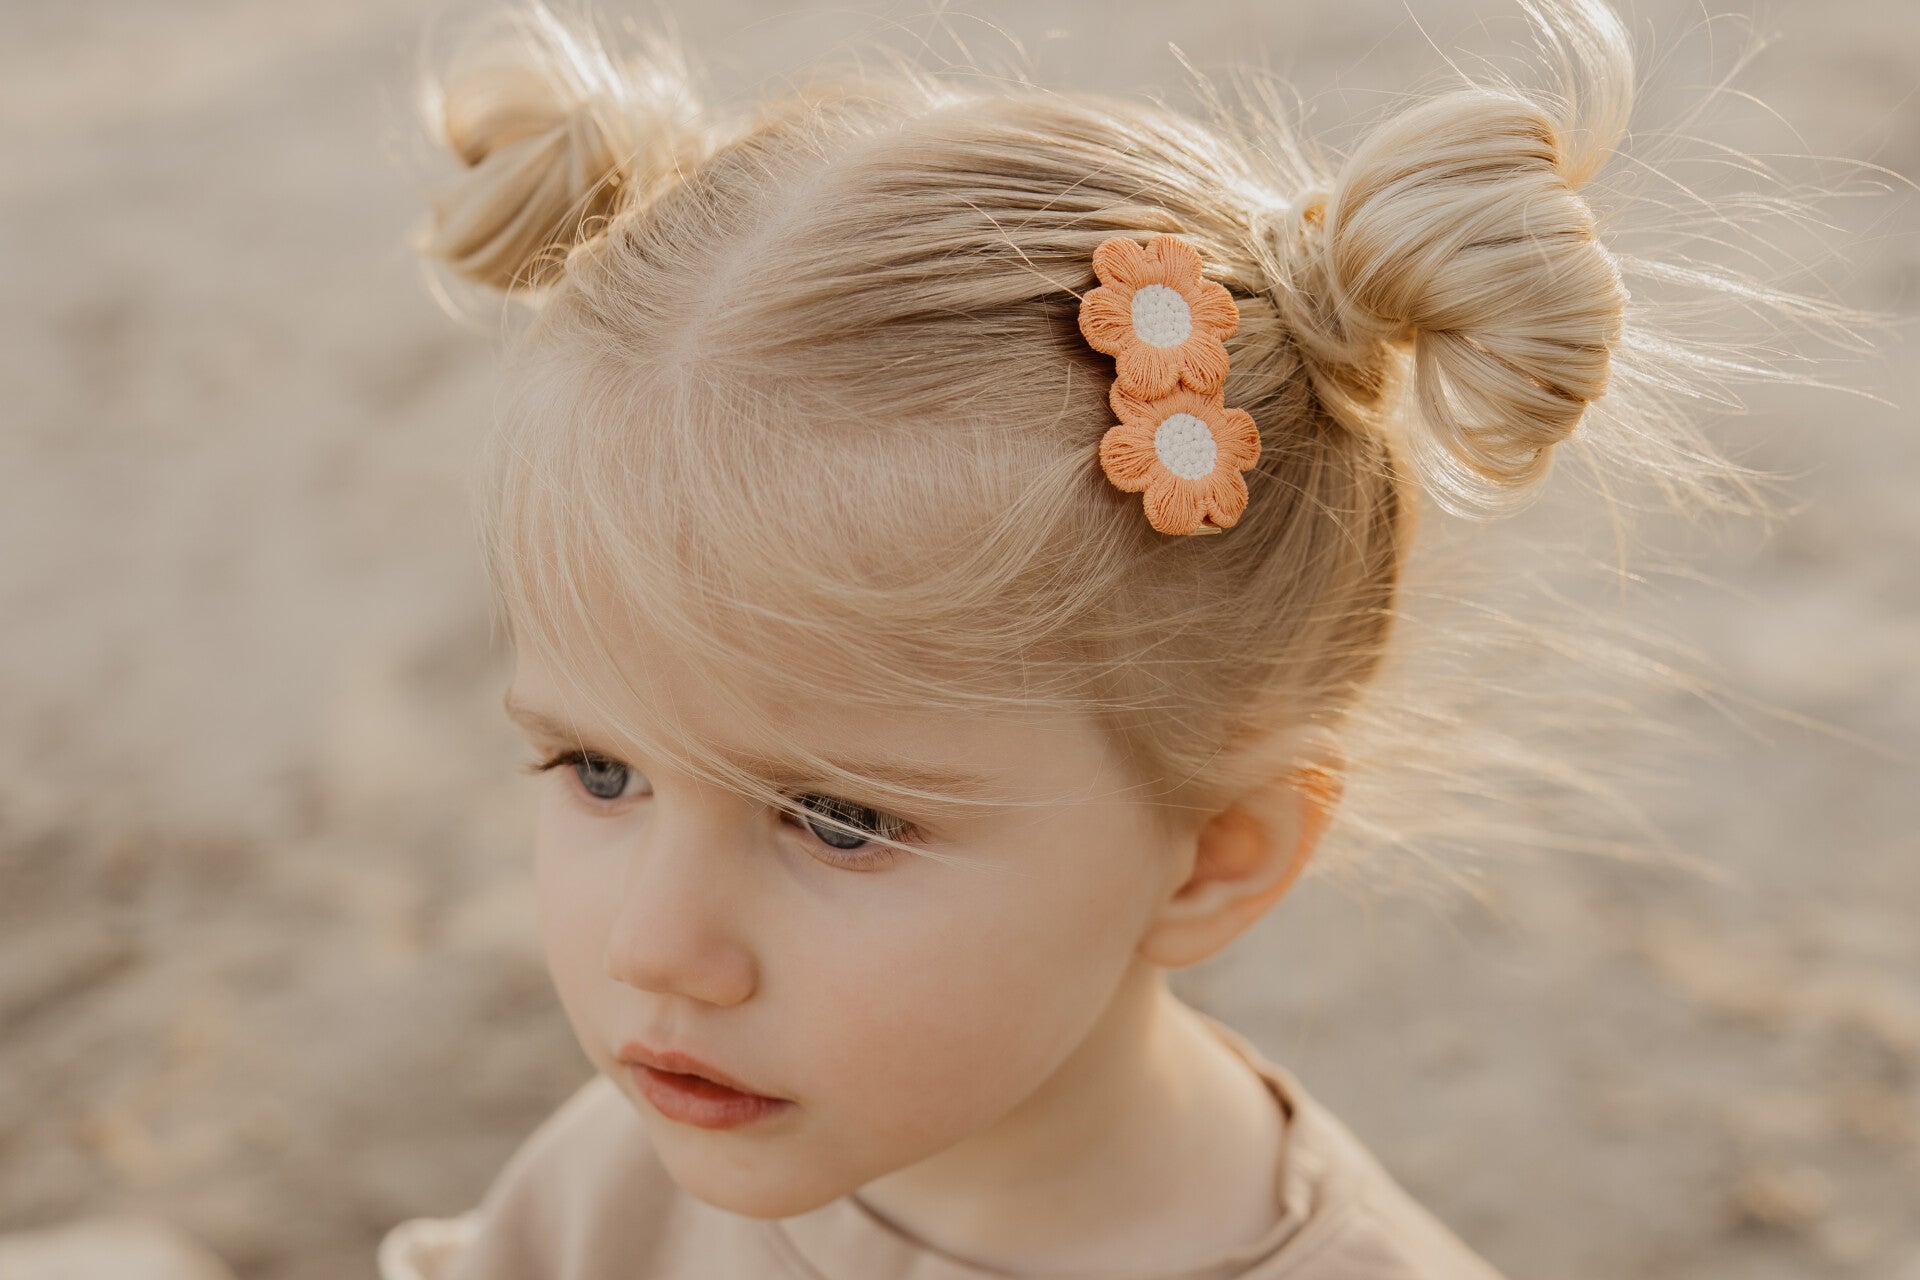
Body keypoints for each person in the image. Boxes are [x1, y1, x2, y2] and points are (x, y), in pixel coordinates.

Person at [379, 1, 1848, 1275]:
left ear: (1216, 854)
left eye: (837, 820)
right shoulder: (619, 1181)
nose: (654, 948)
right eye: (600, 772)